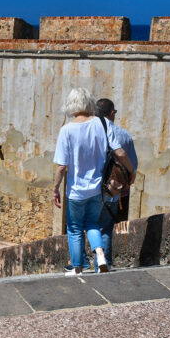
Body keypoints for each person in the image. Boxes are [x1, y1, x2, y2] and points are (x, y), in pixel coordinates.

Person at [52, 88, 134, 275]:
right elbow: (119, 152)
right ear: (89, 103)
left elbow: (62, 167)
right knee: (92, 225)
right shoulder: (101, 123)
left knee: (74, 228)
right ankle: (100, 256)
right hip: (96, 190)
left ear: (71, 105)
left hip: (76, 192)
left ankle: (78, 267)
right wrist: (131, 170)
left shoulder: (66, 130)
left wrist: (55, 189)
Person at [95, 98, 138, 271]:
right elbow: (132, 165)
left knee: (84, 225)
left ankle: (80, 265)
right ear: (112, 113)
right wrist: (130, 173)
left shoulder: (84, 131)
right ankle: (103, 265)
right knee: (105, 228)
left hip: (87, 188)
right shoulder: (123, 135)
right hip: (110, 189)